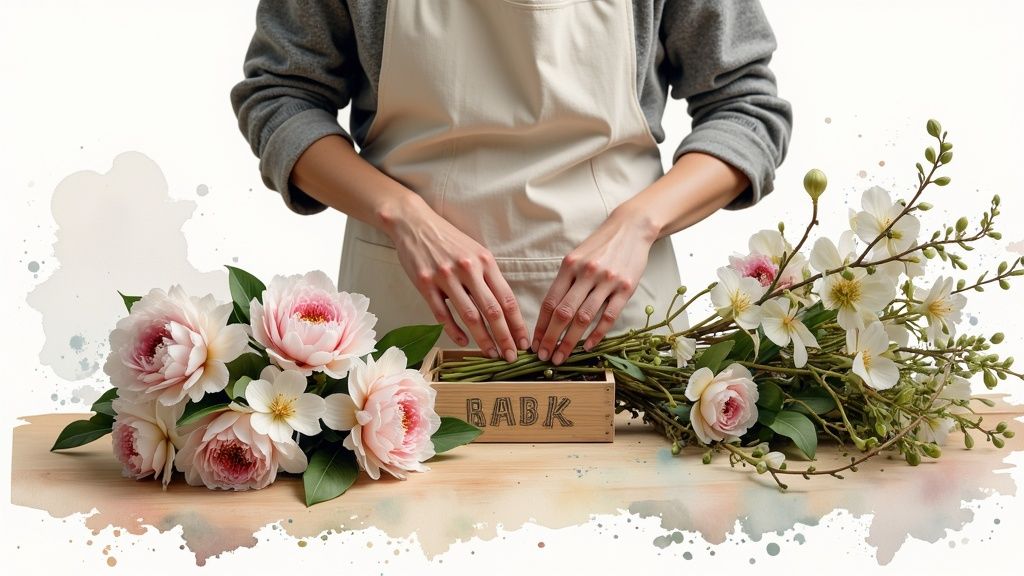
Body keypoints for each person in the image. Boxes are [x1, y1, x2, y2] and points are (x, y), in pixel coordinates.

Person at [230, 0, 792, 367]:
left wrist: (637, 224)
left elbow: (745, 110)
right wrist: (402, 215)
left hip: (619, 332)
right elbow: (282, 99)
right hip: (407, 329)